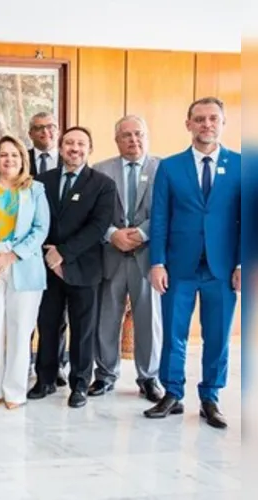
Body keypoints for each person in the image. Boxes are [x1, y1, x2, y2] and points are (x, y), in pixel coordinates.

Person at [145, 97, 241, 429]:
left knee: (217, 335)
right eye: (199, 119)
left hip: (224, 269)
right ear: (188, 124)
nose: (206, 125)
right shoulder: (170, 167)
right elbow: (159, 218)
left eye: (213, 119)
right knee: (174, 333)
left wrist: (244, 264)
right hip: (178, 266)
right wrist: (156, 262)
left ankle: (211, 397)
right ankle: (172, 394)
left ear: (223, 123)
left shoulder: (243, 165)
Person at [29, 126, 116, 409]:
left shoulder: (102, 184)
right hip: (47, 266)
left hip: (84, 267)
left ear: (89, 149)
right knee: (49, 324)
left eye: (80, 144)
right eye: (68, 143)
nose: (74, 148)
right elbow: (38, 220)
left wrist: (63, 254)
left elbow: (98, 226)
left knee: (83, 330)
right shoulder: (42, 181)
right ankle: (45, 379)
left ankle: (79, 384)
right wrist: (50, 256)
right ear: (60, 147)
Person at [0, 135, 50, 409]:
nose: (9, 160)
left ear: (23, 160)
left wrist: (11, 256)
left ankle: (15, 392)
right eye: (3, 155)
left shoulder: (36, 190)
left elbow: (41, 229)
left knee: (20, 329)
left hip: (23, 265)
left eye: (14, 155)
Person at [91, 115, 164, 402]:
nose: (134, 140)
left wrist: (142, 234)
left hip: (147, 256)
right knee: (107, 317)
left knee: (149, 319)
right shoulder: (101, 169)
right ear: (117, 139)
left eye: (139, 134)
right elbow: (93, 213)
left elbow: (166, 210)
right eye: (127, 135)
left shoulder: (163, 169)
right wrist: (112, 234)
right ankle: (105, 374)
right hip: (111, 254)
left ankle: (148, 377)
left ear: (146, 136)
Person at [27, 111, 69, 386]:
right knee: (28, 312)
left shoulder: (69, 160)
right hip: (28, 249)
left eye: (51, 127)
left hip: (59, 249)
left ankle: (56, 366)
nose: (46, 133)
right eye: (39, 128)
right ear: (31, 133)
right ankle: (28, 366)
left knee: (57, 313)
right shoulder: (21, 160)